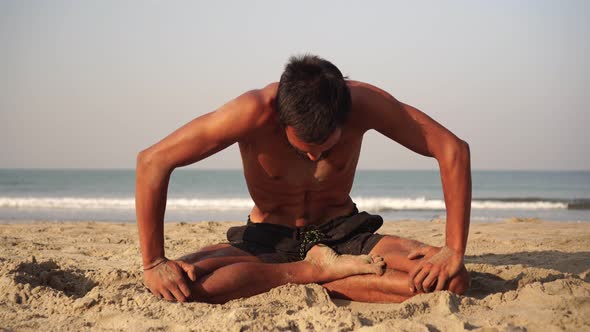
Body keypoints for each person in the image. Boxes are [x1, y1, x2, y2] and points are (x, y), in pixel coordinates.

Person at [135, 54, 471, 304]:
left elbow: (452, 150)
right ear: (279, 120)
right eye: (302, 151)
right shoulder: (251, 112)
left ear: (345, 117)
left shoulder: (365, 104)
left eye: (325, 152)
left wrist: (453, 249)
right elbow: (153, 161)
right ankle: (314, 272)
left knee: (451, 282)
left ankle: (322, 274)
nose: (313, 159)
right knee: (183, 288)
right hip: (267, 239)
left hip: (344, 233)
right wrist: (153, 262)